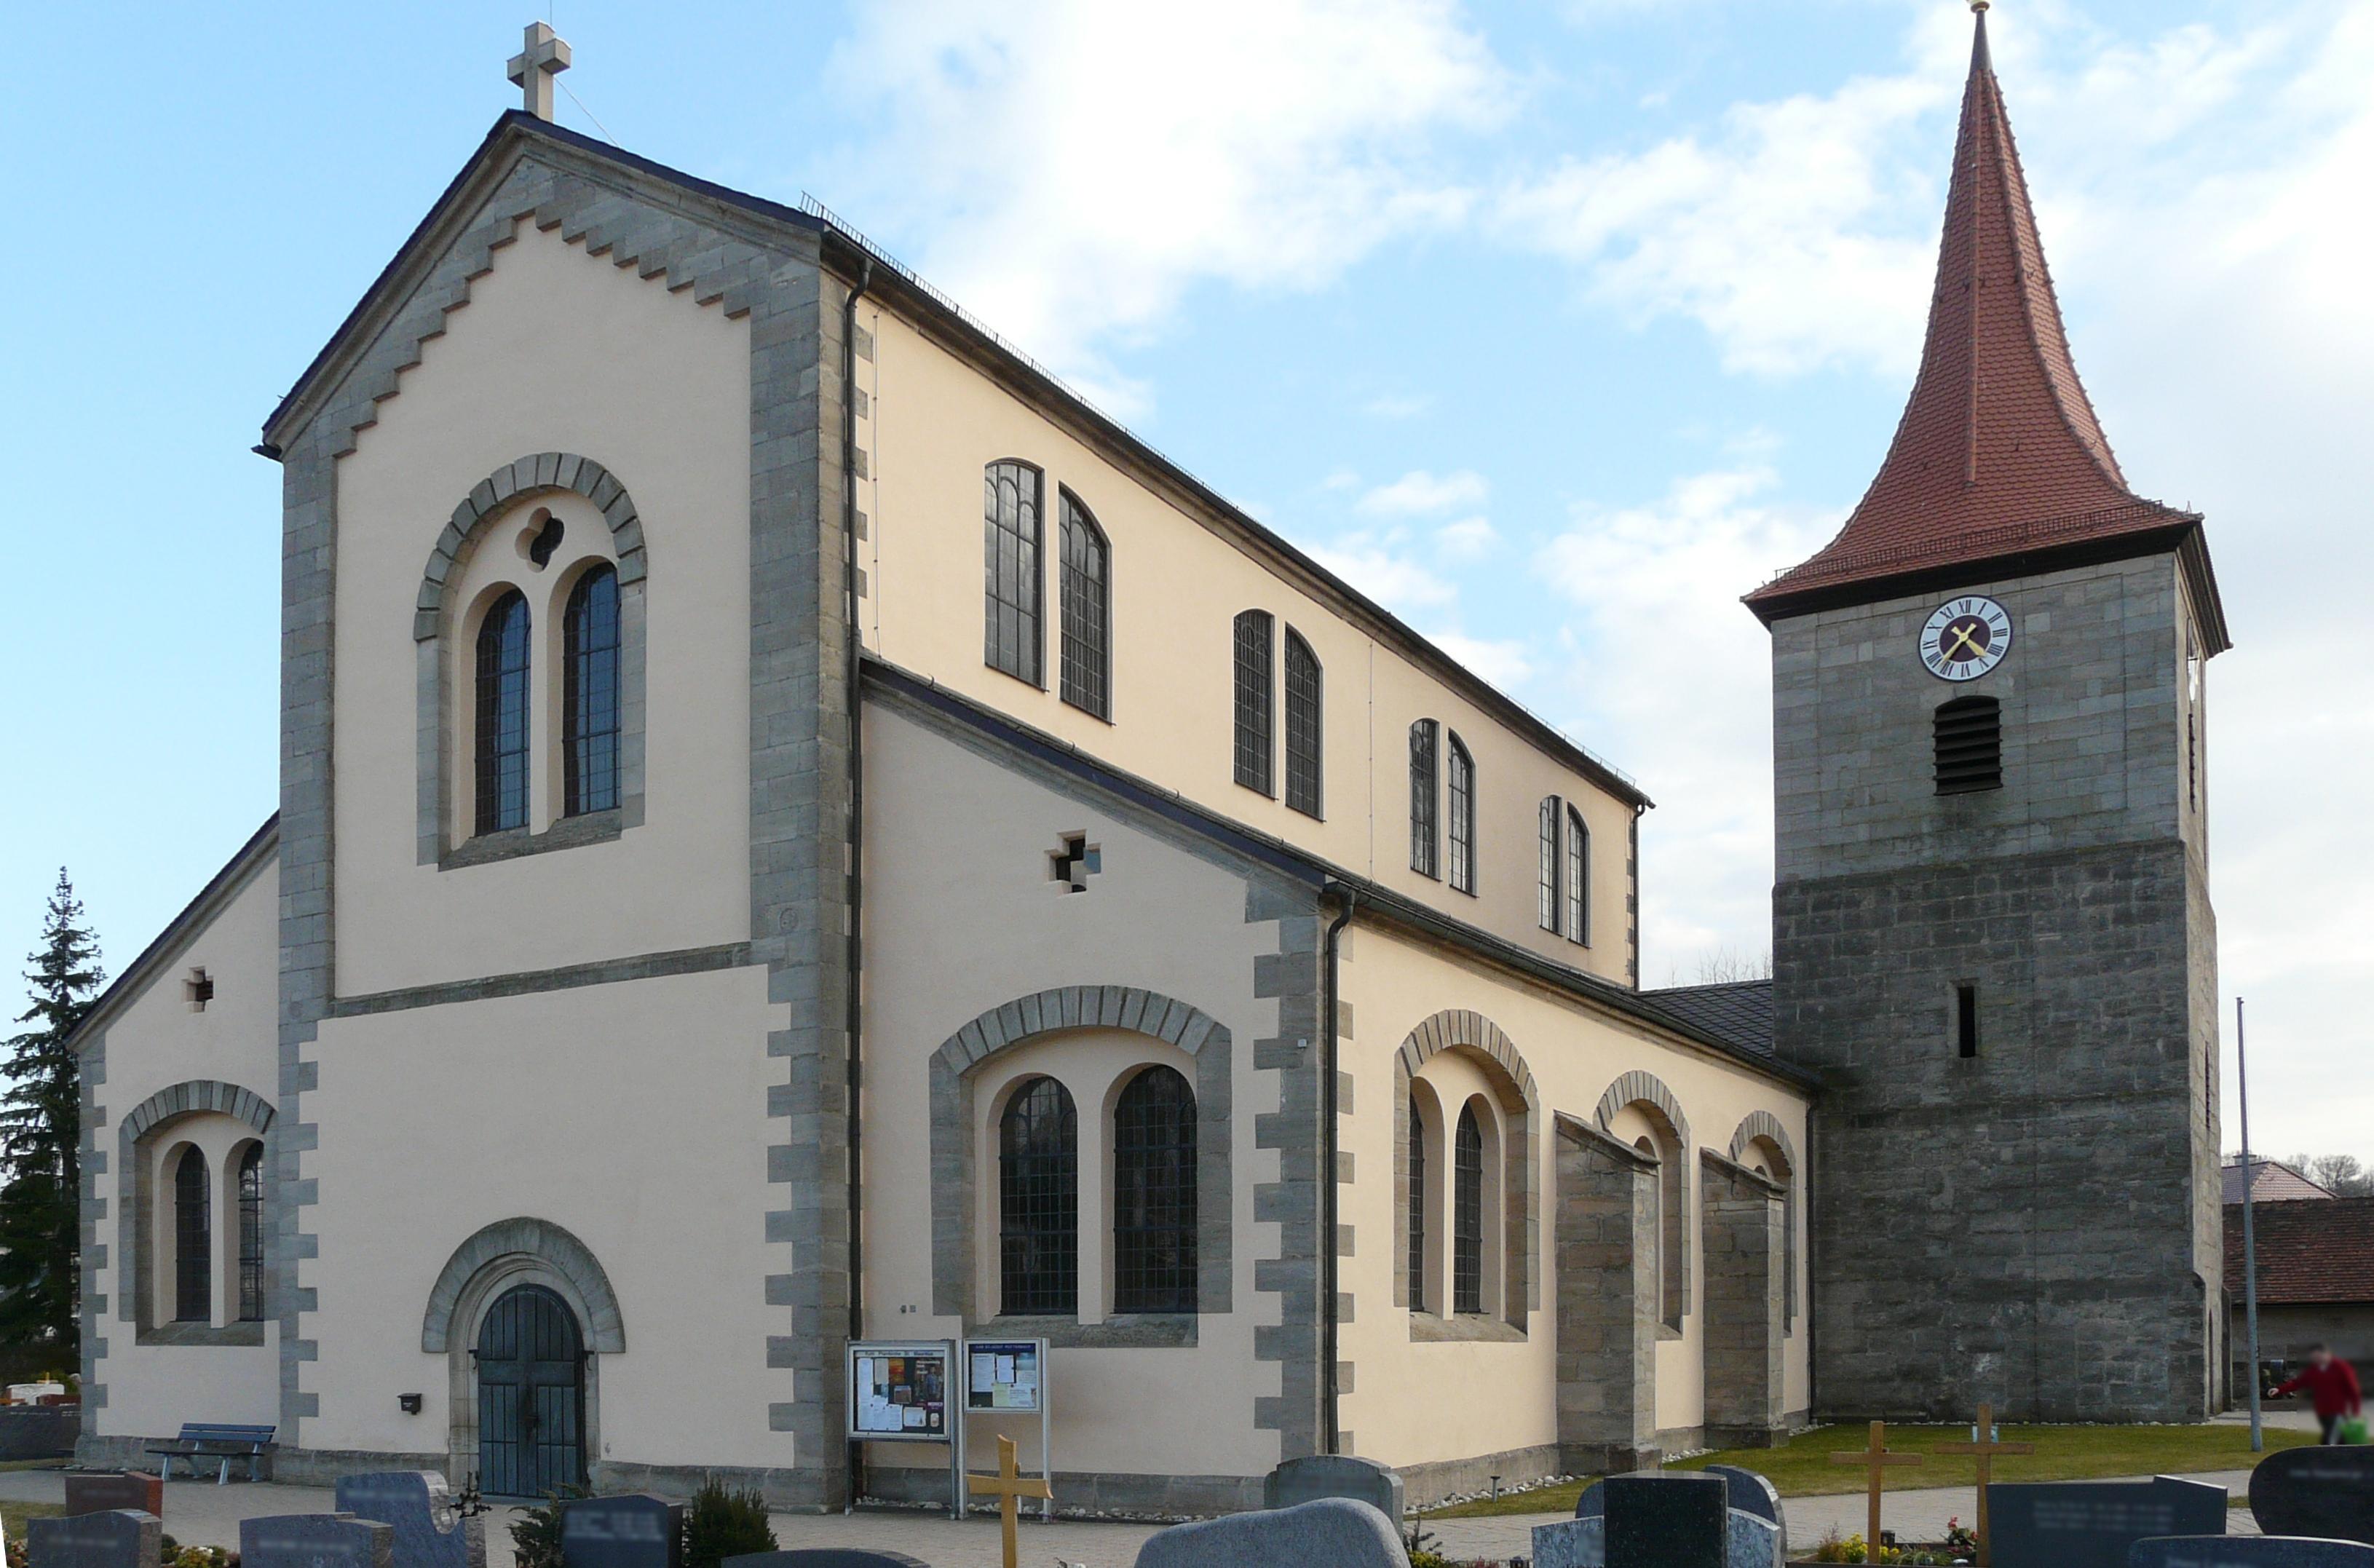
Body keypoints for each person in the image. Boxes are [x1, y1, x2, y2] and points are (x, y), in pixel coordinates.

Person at [2273, 1344, 2364, 1444]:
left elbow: (2353, 1390)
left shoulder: (2341, 1367)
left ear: (2327, 1354)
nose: (2317, 1360)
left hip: (2338, 1410)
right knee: (2339, 1438)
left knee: (2330, 1439)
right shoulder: (2314, 1370)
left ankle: (2330, 1452)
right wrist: (2279, 1389)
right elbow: (2299, 1383)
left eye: (2319, 1357)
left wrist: (2356, 1412)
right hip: (2322, 1411)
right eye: (2315, 1358)